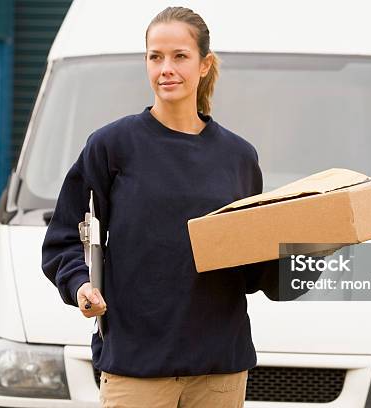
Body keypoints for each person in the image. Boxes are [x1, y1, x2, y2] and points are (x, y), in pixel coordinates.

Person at [41, 6, 279, 408]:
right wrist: (81, 285)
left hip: (219, 371)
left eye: (180, 56)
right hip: (136, 368)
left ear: (204, 65)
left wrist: (306, 246)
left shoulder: (238, 157)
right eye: (156, 57)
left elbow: (253, 269)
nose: (166, 68)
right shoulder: (111, 147)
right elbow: (63, 239)